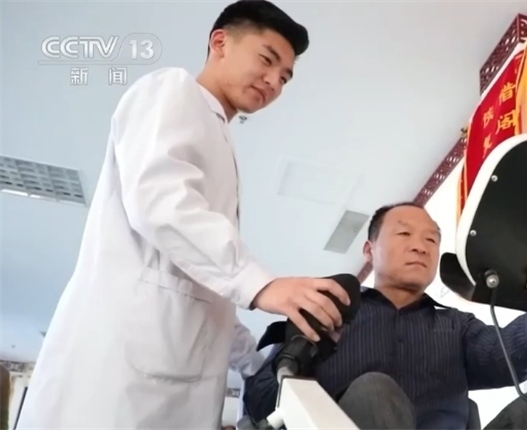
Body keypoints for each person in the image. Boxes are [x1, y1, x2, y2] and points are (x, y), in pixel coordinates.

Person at [16, 1, 352, 428]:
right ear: (220, 43)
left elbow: (198, 290)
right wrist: (261, 284)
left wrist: (254, 361)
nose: (274, 81)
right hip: (115, 386)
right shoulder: (173, 89)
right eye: (267, 60)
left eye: (285, 77)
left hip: (172, 388)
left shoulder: (220, 139)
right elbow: (160, 201)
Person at [243, 202, 527, 430]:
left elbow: (503, 355)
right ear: (369, 250)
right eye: (404, 233)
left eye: (431, 240)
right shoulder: (328, 310)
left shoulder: (456, 326)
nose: (420, 246)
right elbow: (260, 400)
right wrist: (300, 363)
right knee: (375, 391)